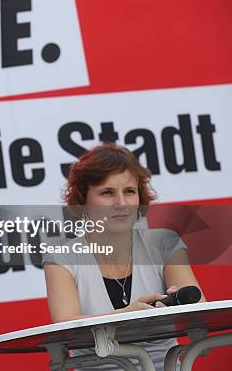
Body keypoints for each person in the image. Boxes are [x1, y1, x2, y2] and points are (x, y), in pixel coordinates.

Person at [42, 143, 205, 370]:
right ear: (83, 201)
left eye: (129, 191)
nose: (121, 203)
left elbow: (200, 314)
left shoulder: (165, 243)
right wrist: (124, 315)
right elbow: (66, 329)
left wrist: (176, 307)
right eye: (107, 192)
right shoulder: (61, 257)